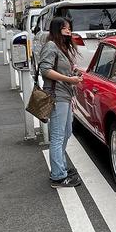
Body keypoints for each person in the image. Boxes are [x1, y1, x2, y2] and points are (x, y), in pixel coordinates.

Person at [39, 17, 83, 188]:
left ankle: (61, 166)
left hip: (65, 94)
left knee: (67, 132)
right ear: (57, 29)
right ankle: (58, 176)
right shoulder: (51, 45)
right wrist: (69, 79)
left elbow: (60, 68)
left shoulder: (61, 47)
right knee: (57, 136)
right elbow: (45, 70)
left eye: (69, 27)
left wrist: (74, 72)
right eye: (65, 28)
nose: (69, 30)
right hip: (57, 96)